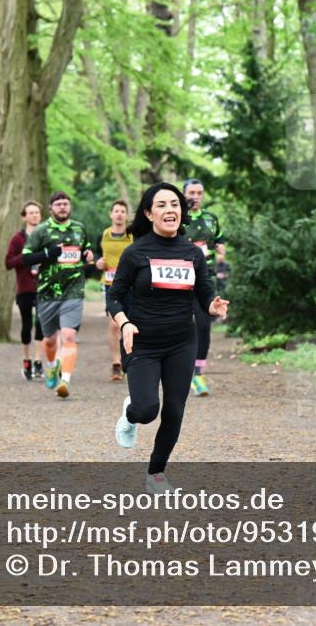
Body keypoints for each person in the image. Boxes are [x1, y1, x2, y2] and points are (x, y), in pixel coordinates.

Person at [108, 183, 229, 494]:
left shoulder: (192, 253)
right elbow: (115, 297)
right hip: (142, 341)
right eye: (161, 205)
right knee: (147, 410)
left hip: (180, 342)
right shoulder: (135, 253)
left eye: (174, 204)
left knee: (174, 410)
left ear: (182, 211)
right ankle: (130, 412)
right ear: (149, 214)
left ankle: (156, 475)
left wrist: (213, 305)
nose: (170, 210)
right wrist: (124, 324)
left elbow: (204, 295)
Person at [20, 191, 95, 398]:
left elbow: (87, 254)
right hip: (47, 293)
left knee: (69, 335)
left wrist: (89, 256)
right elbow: (25, 259)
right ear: (51, 207)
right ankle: (52, 365)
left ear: (70, 207)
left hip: (74, 290)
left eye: (66, 204)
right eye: (58, 204)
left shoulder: (79, 229)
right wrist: (48, 254)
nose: (62, 207)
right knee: (50, 340)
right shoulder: (41, 231)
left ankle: (65, 380)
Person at [182, 179, 226, 396]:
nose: (196, 196)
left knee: (203, 325)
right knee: (179, 326)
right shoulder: (178, 218)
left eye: (199, 192)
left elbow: (219, 239)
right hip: (179, 280)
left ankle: (198, 373)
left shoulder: (211, 219)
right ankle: (180, 370)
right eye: (192, 192)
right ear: (183, 194)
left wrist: (220, 247)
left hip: (205, 279)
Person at [5, 200, 46, 380]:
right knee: (27, 324)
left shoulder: (46, 236)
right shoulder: (17, 239)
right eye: (30, 213)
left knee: (41, 324)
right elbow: (8, 262)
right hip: (24, 287)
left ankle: (38, 362)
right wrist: (26, 257)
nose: (34, 215)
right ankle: (26, 360)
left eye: (37, 212)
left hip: (43, 286)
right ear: (24, 217)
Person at [95, 200, 134, 382]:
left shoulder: (133, 235)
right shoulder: (104, 235)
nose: (119, 214)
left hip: (131, 285)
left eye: (122, 211)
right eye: (116, 211)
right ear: (111, 214)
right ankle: (116, 363)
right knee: (114, 324)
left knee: (132, 322)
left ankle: (130, 359)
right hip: (110, 284)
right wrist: (97, 262)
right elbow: (95, 255)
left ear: (127, 215)